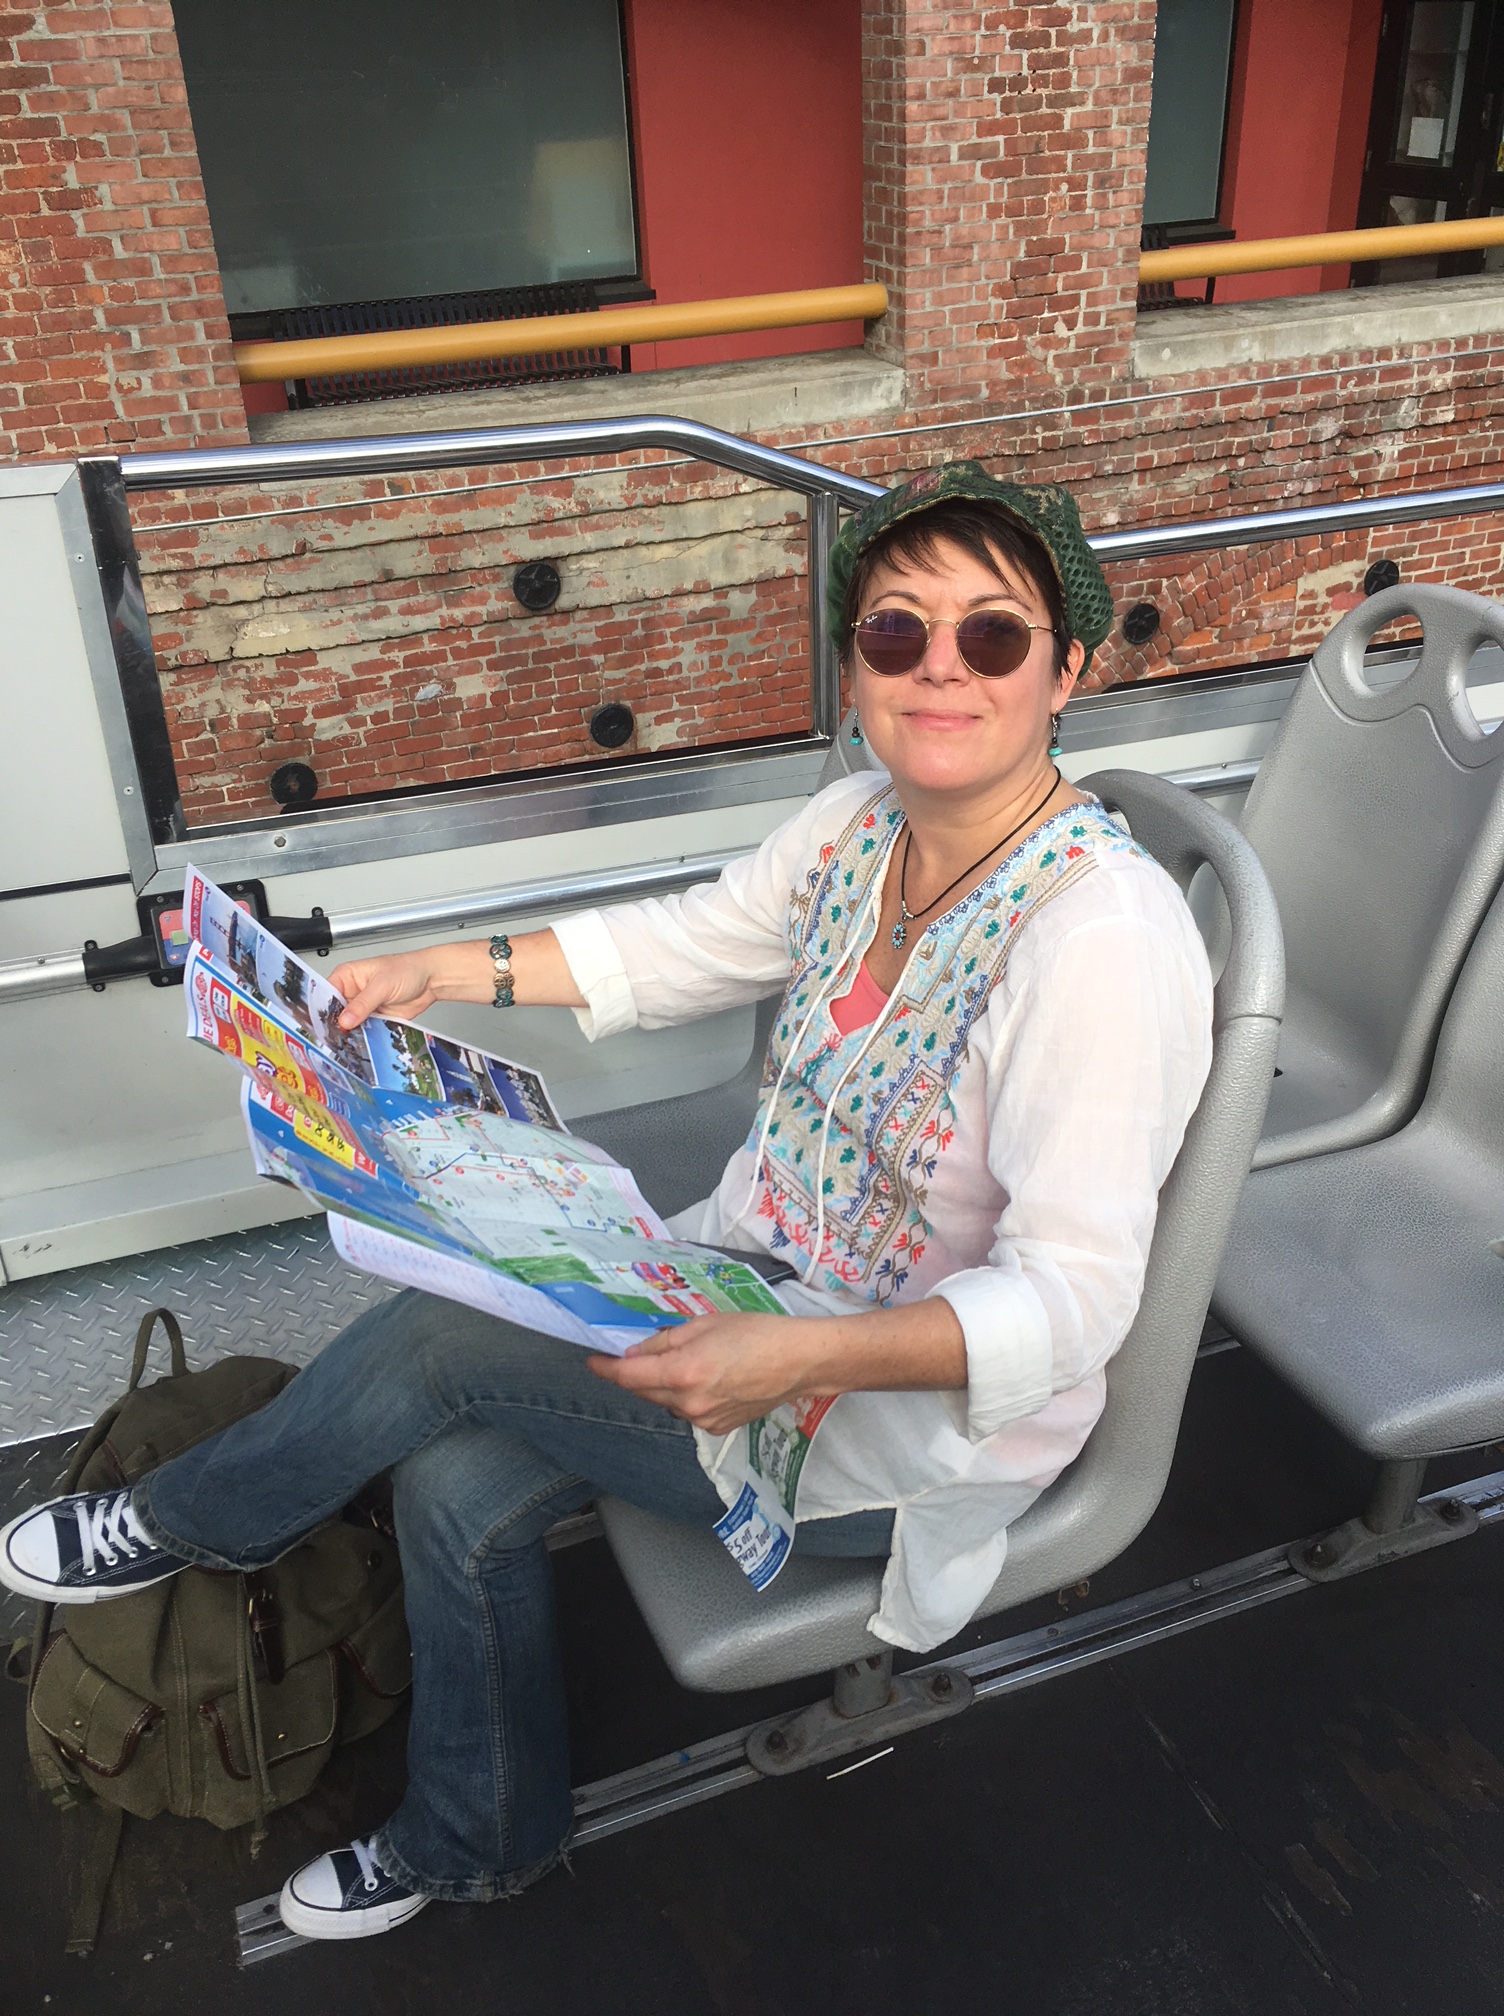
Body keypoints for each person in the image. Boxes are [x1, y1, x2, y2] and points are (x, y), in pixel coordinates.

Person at [1, 463, 1214, 1940]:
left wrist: (797, 1357)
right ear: (853, 668)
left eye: (994, 634)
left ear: (1068, 670)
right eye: (897, 631)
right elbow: (683, 944)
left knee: (439, 1341)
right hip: (750, 1293)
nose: (939, 667)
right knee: (454, 1489)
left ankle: (202, 1520)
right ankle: (479, 1837)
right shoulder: (858, 829)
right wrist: (442, 969)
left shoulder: (1103, 941)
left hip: (900, 1433)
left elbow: (1075, 1303)